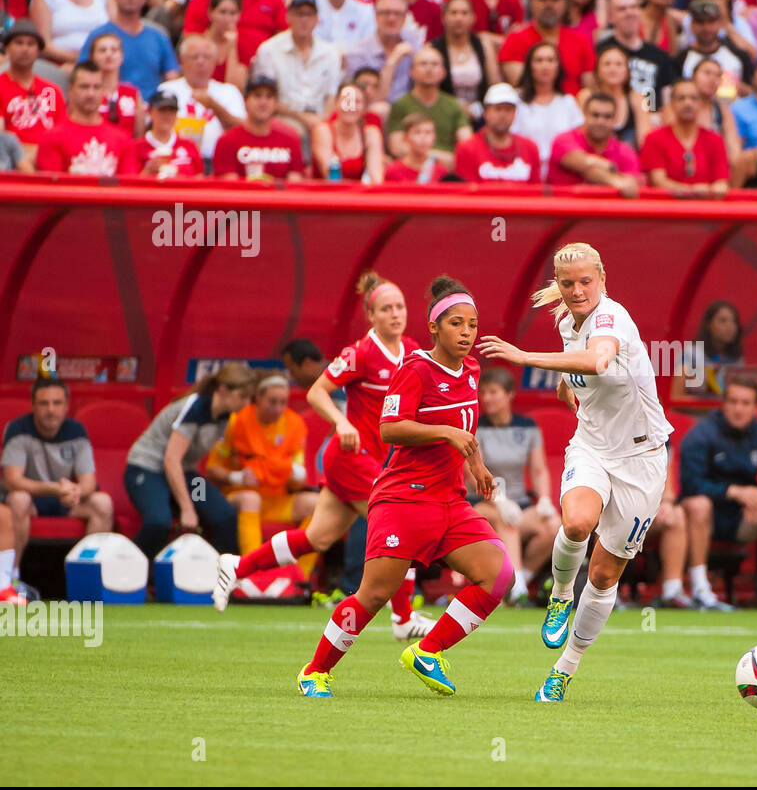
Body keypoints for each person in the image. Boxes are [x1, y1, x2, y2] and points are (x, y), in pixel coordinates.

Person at [477, 242, 673, 702]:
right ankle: (561, 594)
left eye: (586, 281)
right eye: (568, 283)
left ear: (603, 279)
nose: (577, 290)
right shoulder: (568, 320)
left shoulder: (612, 317)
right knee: (577, 522)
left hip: (642, 460)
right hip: (591, 447)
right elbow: (582, 364)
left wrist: (526, 358)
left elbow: (599, 358)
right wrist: (569, 385)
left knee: (605, 576)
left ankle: (565, 668)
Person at [296, 276, 510, 699]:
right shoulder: (414, 368)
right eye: (456, 324)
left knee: (498, 575)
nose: (466, 333)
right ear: (434, 328)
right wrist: (446, 433)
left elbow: (464, 427)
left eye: (472, 325)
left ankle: (427, 652)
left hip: (450, 501)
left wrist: (478, 465)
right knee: (374, 595)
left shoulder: (471, 369)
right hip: (403, 499)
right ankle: (315, 671)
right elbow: (390, 428)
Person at [214, 273, 437, 640]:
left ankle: (237, 566)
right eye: (386, 308)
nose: (395, 314)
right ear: (372, 316)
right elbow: (318, 391)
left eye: (399, 306)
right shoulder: (360, 352)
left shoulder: (411, 350)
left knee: (315, 539)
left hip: (372, 460)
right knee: (399, 525)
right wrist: (341, 421)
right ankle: (402, 618)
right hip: (351, 457)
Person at [679, 377, 757, 610]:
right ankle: (700, 589)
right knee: (698, 504)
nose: (738, 408)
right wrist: (732, 491)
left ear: (756, 408)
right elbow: (690, 484)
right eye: (733, 401)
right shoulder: (702, 433)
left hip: (745, 518)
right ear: (723, 404)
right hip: (705, 518)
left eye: (745, 403)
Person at [125, 362, 253, 563]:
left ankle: (223, 577)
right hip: (147, 470)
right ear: (223, 389)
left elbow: (188, 467)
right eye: (242, 396)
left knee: (224, 514)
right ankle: (130, 567)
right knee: (159, 521)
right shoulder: (196, 407)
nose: (245, 404)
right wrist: (187, 507)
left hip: (185, 474)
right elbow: (171, 460)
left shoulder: (225, 416)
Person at [468, 367, 561, 606]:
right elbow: (471, 476)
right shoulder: (476, 427)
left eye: (493, 392)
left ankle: (519, 580)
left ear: (509, 394)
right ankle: (518, 591)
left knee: (554, 526)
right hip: (483, 503)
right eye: (483, 393)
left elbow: (539, 470)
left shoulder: (527, 427)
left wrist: (544, 500)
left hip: (519, 503)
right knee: (508, 521)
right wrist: (499, 500)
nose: (486, 398)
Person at [205, 372, 318, 563]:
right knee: (252, 498)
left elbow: (299, 481)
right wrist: (236, 477)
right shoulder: (236, 421)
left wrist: (296, 477)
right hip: (240, 497)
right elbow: (212, 468)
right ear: (258, 397)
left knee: (317, 504)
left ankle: (300, 579)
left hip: (277, 499)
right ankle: (253, 569)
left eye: (283, 402)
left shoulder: (295, 424)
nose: (278, 408)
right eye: (272, 401)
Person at [2, 377, 113, 567]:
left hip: (64, 499)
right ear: (34, 405)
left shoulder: (76, 431)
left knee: (103, 502)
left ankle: (87, 576)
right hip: (32, 500)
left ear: (67, 406)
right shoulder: (18, 428)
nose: (51, 410)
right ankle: (12, 577)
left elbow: (88, 482)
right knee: (19, 499)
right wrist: (55, 488)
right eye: (44, 403)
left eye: (57, 403)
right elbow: (12, 480)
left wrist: (76, 492)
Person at [250, 0, 342, 141]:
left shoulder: (330, 52)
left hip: (320, 117)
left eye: (309, 15)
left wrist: (323, 121)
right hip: (284, 116)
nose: (304, 20)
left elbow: (332, 96)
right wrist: (302, 118)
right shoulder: (269, 49)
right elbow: (266, 97)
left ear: (317, 19)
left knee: (328, 132)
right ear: (288, 17)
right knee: (293, 132)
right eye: (299, 14)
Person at [78, 0, 177, 99]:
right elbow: (82, 75)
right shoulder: (98, 35)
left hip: (153, 109)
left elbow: (172, 78)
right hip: (110, 107)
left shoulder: (159, 35)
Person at [157, 34, 248, 164]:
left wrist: (214, 106)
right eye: (194, 57)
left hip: (219, 160)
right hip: (178, 159)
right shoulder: (167, 90)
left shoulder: (229, 91)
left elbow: (242, 130)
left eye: (207, 57)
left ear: (215, 61)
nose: (201, 62)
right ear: (181, 60)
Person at [36, 59, 138, 173]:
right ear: (70, 90)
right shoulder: (52, 137)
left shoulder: (122, 140)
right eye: (84, 87)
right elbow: (50, 187)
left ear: (103, 90)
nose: (91, 94)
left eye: (96, 87)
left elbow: (128, 186)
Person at [498, 0, 595, 94]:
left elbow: (590, 86)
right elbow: (521, 86)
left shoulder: (581, 40)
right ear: (531, 2)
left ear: (564, 4)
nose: (549, 4)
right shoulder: (515, 40)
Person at [640, 78, 728, 195]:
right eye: (681, 98)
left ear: (701, 103)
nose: (688, 103)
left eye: (694, 98)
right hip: (666, 208)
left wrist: (713, 189)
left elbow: (721, 183)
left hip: (706, 208)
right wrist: (693, 191)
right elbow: (658, 181)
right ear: (671, 104)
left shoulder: (715, 140)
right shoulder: (654, 138)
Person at [512, 39, 584, 178]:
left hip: (562, 174)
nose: (545, 66)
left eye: (550, 60)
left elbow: (579, 143)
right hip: (524, 172)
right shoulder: (516, 100)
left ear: (558, 66)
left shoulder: (568, 102)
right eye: (539, 60)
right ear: (529, 66)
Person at [211, 74, 306, 180]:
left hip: (280, 196)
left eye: (269, 96)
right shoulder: (227, 141)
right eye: (257, 95)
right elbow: (228, 184)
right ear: (245, 101)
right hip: (242, 195)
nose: (263, 102)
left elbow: (295, 182)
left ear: (275, 104)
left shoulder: (290, 140)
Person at [385, 46, 471, 162]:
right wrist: (436, 156)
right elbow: (397, 148)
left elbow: (467, 143)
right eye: (423, 64)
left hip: (445, 171)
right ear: (412, 72)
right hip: (412, 166)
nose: (429, 69)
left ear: (443, 72)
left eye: (434, 64)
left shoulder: (453, 104)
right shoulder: (400, 105)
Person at [598, 0, 677, 115]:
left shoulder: (659, 56)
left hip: (651, 116)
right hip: (613, 118)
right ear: (611, 17)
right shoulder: (601, 51)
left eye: (633, 7)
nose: (629, 13)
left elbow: (666, 100)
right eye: (622, 9)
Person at [548, 90, 641, 194]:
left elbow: (630, 185)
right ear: (584, 115)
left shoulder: (625, 152)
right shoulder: (564, 139)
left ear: (615, 120)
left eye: (607, 116)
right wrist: (614, 177)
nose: (600, 121)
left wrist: (597, 167)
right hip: (562, 207)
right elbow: (582, 164)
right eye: (595, 115)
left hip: (608, 208)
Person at [0, 20, 66, 162]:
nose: (25, 49)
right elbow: (1, 137)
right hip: (13, 160)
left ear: (38, 51)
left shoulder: (52, 90)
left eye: (31, 44)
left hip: (50, 158)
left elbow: (64, 134)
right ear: (7, 48)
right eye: (19, 42)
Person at [431, 0, 500, 123]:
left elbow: (494, 83)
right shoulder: (433, 48)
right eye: (454, 13)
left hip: (481, 114)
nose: (459, 18)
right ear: (444, 17)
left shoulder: (483, 44)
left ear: (473, 18)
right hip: (444, 114)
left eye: (464, 13)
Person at [454, 81, 542, 182]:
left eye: (508, 109)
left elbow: (536, 190)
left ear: (514, 112)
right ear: (486, 112)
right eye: (498, 109)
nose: (503, 115)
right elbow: (466, 192)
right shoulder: (467, 149)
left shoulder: (530, 148)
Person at [675, 0, 752, 91]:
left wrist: (739, 88)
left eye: (711, 22)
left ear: (720, 23)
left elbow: (751, 93)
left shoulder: (739, 56)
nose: (706, 28)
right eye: (700, 22)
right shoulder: (680, 60)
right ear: (692, 25)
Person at [312, 80, 385, 181]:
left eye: (357, 101)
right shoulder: (323, 130)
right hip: (325, 194)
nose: (350, 106)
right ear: (336, 103)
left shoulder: (371, 133)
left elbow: (376, 177)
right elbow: (331, 178)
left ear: (364, 107)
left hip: (359, 194)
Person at [579, 44, 650, 147]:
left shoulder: (639, 97)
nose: (613, 69)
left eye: (619, 64)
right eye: (607, 64)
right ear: (597, 70)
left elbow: (645, 141)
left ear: (627, 71)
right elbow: (581, 137)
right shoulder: (586, 96)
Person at [673, 298, 744, 400]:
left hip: (731, 414)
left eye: (734, 321)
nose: (730, 327)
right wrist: (708, 405)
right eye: (723, 321)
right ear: (709, 324)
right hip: (696, 415)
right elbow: (675, 397)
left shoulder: (737, 359)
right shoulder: (691, 355)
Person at [134, 88, 203, 177]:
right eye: (162, 110)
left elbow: (200, 178)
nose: (167, 115)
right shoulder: (136, 147)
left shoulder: (189, 145)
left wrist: (182, 177)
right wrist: (147, 171)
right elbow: (129, 183)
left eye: (172, 110)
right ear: (150, 112)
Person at [88, 31, 142, 136]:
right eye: (102, 50)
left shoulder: (132, 93)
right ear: (92, 57)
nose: (109, 54)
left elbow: (139, 136)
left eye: (114, 50)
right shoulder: (88, 92)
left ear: (122, 56)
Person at [203, 0, 250, 92]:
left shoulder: (243, 45)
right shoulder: (198, 43)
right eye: (222, 12)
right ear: (210, 13)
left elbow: (234, 88)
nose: (227, 19)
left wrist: (232, 46)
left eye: (233, 13)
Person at [384, 112, 453, 181]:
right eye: (417, 132)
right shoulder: (393, 171)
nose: (423, 138)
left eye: (428, 132)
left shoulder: (441, 172)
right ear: (405, 137)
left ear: (434, 137)